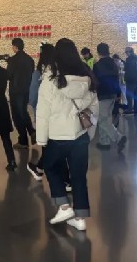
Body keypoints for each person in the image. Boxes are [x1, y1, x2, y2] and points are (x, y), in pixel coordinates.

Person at [36, 38, 99, 231]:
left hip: (58, 135)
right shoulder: (86, 76)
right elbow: (94, 108)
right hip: (80, 134)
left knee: (50, 166)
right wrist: (89, 133)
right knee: (78, 176)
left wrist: (41, 138)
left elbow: (43, 111)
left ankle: (64, 206)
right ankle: (80, 218)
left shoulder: (51, 78)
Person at [27, 43, 56, 181]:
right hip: (58, 113)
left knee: (46, 141)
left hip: (42, 111)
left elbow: (33, 96)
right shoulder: (59, 71)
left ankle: (41, 168)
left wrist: (32, 105)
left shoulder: (38, 73)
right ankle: (40, 167)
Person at [93, 43, 126, 152]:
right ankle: (104, 142)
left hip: (103, 95)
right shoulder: (114, 63)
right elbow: (117, 80)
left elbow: (95, 81)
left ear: (98, 52)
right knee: (106, 118)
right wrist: (118, 94)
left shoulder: (97, 66)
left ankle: (119, 138)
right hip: (113, 94)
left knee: (103, 120)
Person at [6, 38, 36, 149]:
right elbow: (31, 72)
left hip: (15, 91)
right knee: (23, 111)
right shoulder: (30, 60)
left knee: (17, 115)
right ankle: (30, 133)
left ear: (15, 47)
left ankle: (24, 139)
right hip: (26, 90)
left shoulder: (13, 60)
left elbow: (8, 75)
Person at [124, 46, 137, 116]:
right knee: (136, 96)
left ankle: (129, 109)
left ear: (128, 52)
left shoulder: (129, 60)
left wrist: (126, 78)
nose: (126, 54)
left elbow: (127, 70)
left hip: (130, 80)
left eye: (126, 52)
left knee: (129, 95)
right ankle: (136, 110)